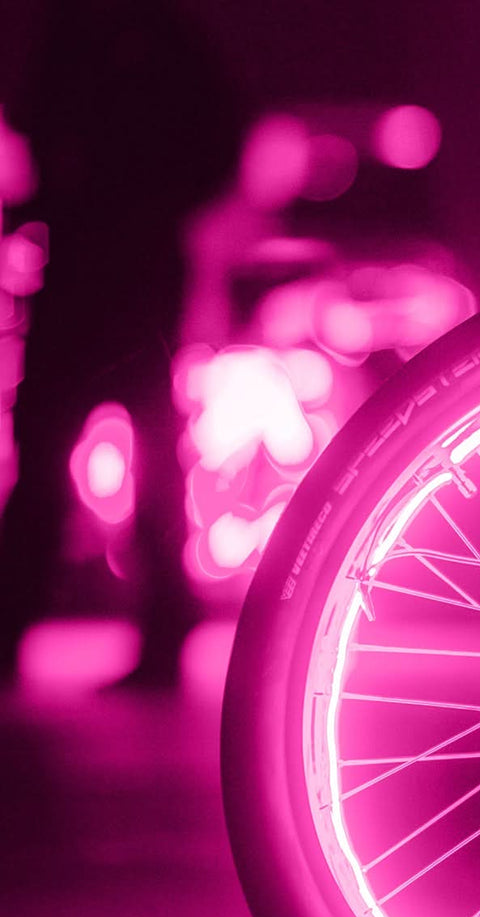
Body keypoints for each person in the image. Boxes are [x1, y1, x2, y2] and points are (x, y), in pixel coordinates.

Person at [0, 0, 245, 687]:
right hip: (119, 272)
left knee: (80, 458)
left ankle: (27, 635)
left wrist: (86, 192)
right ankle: (156, 639)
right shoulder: (150, 37)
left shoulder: (95, 33)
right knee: (119, 459)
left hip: (104, 271)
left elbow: (34, 118)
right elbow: (220, 140)